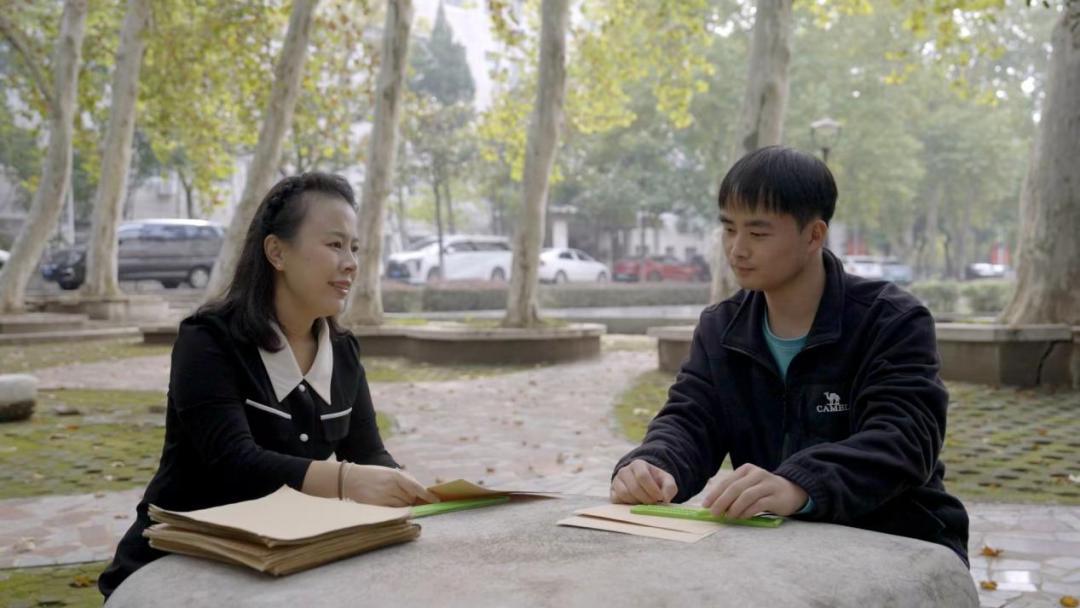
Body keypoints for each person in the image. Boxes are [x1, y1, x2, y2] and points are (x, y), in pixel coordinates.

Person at [610, 146, 969, 565]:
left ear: (814, 235)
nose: (737, 249)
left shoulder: (890, 320)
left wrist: (799, 485)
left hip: (901, 542)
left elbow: (904, 439)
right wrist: (655, 464)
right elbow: (691, 420)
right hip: (779, 548)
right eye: (729, 229)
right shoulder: (721, 327)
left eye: (758, 234)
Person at [100, 173, 438, 598]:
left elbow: (367, 452)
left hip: (278, 562)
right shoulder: (208, 340)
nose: (351, 262)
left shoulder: (343, 350)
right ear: (277, 252)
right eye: (335, 244)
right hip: (172, 566)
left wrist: (407, 489)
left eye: (354, 247)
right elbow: (233, 462)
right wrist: (345, 480)